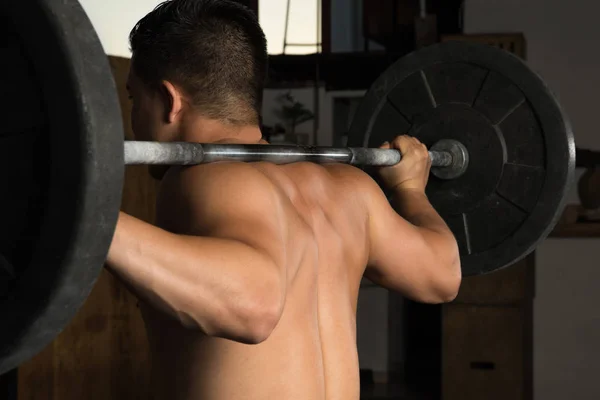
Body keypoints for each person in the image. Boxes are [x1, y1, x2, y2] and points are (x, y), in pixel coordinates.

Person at [105, 0, 461, 399]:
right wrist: (411, 190)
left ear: (170, 101)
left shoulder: (205, 177)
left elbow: (255, 306)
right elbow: (442, 273)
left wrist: (90, 219)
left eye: (135, 99)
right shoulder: (350, 190)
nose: (133, 118)